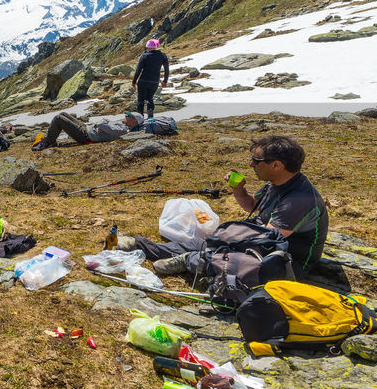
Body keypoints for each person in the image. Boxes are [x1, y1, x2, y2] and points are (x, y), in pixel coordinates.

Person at [122, 135, 328, 278]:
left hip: (287, 261)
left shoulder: (300, 200)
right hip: (263, 243)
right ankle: (139, 245)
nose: (251, 165)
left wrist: (228, 239)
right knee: (205, 242)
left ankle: (191, 261)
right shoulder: (276, 182)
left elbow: (267, 241)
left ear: (276, 165)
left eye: (256, 161)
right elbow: (253, 206)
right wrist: (238, 190)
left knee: (224, 254)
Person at [32, 112, 142, 150]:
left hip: (86, 136)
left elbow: (102, 124)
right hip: (87, 129)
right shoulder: (122, 125)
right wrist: (103, 124)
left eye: (128, 116)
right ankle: (51, 139)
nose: (125, 116)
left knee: (58, 119)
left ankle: (47, 142)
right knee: (63, 115)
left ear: (134, 121)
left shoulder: (123, 130)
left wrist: (103, 123)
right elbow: (104, 124)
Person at [132, 39, 170, 119]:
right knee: (150, 98)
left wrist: (134, 81)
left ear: (148, 47)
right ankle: (150, 116)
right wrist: (165, 81)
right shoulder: (162, 55)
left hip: (143, 81)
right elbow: (167, 69)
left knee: (140, 100)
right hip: (154, 82)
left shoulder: (144, 56)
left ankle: (140, 118)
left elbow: (138, 70)